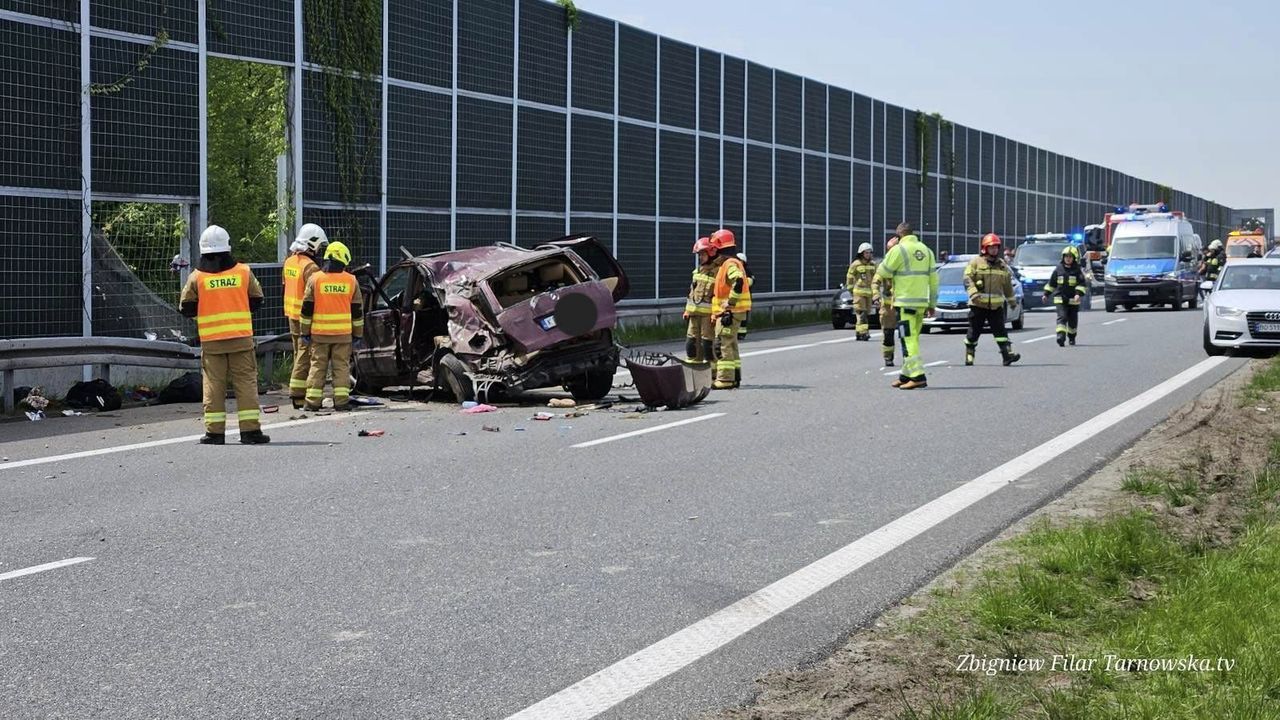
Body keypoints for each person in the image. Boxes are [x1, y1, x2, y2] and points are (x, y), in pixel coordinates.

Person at [179, 225, 270, 445]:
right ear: (227, 246)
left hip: (212, 343)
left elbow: (185, 307)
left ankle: (214, 433)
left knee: (213, 386)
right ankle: (250, 432)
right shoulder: (243, 272)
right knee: (246, 383)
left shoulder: (196, 277)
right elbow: (257, 300)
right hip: (240, 339)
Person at [300, 241, 364, 412]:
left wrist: (303, 332)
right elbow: (357, 311)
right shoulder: (351, 281)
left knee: (317, 366)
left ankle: (312, 402)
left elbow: (306, 309)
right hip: (343, 335)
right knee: (341, 367)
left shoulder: (315, 279)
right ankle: (341, 402)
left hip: (319, 335)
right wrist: (358, 334)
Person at [875, 222, 937, 389]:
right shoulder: (926, 250)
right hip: (921, 303)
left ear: (898, 236)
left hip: (905, 302)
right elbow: (934, 280)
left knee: (907, 338)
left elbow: (883, 271)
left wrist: (890, 249)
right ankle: (905, 375)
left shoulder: (898, 250)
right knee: (912, 337)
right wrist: (932, 303)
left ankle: (918, 376)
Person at [282, 223, 327, 409]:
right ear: (313, 244)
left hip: (291, 315)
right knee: (305, 355)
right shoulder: (311, 268)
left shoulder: (290, 261)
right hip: (305, 318)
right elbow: (315, 295)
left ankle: (299, 393)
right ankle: (298, 395)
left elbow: (285, 285)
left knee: (297, 353)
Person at [962, 233, 1021, 367]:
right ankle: (969, 354)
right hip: (978, 305)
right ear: (984, 248)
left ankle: (1007, 356)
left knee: (1000, 332)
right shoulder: (975, 262)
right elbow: (967, 279)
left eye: (996, 247)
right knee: (974, 332)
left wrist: (1012, 302)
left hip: (996, 307)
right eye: (991, 247)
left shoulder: (1001, 265)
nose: (994, 250)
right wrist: (973, 294)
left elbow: (1007, 285)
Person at [708, 228, 751, 389]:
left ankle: (725, 379)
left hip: (730, 312)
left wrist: (730, 302)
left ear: (719, 248)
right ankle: (735, 377)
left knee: (722, 344)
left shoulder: (729, 264)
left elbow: (738, 281)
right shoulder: (731, 263)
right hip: (734, 312)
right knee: (731, 344)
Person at [1043, 245, 1090, 346]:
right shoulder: (1058, 269)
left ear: (1074, 258)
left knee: (1072, 321)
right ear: (1063, 257)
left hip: (1073, 300)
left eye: (1070, 257)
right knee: (1062, 317)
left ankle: (1072, 337)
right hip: (1060, 298)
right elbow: (1051, 284)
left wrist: (1078, 294)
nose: (1068, 259)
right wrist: (1046, 294)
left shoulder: (1077, 270)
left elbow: (1082, 284)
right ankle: (1060, 336)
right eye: (1066, 256)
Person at [683, 237, 717, 363]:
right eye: (699, 255)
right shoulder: (696, 272)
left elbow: (718, 296)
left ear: (711, 253)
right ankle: (693, 372)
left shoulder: (717, 272)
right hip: (693, 315)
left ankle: (711, 374)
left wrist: (715, 314)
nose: (700, 257)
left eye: (702, 254)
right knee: (691, 344)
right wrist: (687, 310)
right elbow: (692, 293)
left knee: (707, 344)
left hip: (708, 317)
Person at [873, 235, 900, 367]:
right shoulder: (884, 266)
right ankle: (888, 357)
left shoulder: (905, 265)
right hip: (888, 307)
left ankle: (908, 358)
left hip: (903, 304)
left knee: (907, 334)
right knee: (888, 333)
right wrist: (876, 295)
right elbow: (876, 281)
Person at [846, 242, 877, 341]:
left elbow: (876, 277)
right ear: (861, 253)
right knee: (861, 313)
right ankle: (864, 333)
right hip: (858, 293)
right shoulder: (856, 264)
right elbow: (850, 277)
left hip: (869, 294)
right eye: (866, 253)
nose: (868, 255)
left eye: (870, 252)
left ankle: (859, 332)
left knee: (866, 314)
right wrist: (850, 289)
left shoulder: (873, 264)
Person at [737, 252, 753, 341]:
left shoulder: (747, 271)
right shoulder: (734, 270)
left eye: (739, 261)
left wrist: (741, 281)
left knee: (743, 318)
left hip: (745, 300)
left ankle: (741, 334)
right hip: (735, 299)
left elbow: (752, 281)